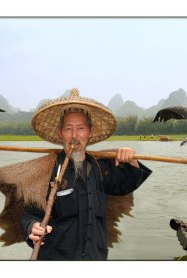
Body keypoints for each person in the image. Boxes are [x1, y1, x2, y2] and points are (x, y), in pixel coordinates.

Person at [20, 88, 152, 260]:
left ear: (90, 132)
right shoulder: (46, 170)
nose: (74, 136)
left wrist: (130, 158)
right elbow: (30, 214)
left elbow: (126, 183)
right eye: (68, 129)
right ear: (60, 133)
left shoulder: (100, 168)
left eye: (80, 128)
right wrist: (33, 227)